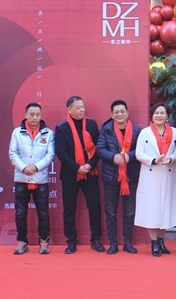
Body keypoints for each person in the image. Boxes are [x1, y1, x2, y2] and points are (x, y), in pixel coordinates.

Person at [55, 96, 104, 254]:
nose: (81, 110)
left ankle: (96, 240)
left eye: (82, 107)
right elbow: (61, 152)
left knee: (95, 206)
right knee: (69, 209)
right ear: (69, 110)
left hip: (90, 172)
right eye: (78, 108)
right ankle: (71, 241)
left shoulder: (91, 124)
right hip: (70, 174)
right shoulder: (61, 128)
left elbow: (99, 147)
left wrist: (90, 165)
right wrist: (77, 167)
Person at [9, 102, 55, 255]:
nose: (35, 118)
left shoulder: (48, 133)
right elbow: (13, 153)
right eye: (32, 114)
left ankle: (44, 241)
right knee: (21, 212)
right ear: (25, 115)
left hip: (40, 179)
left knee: (43, 212)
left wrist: (36, 167)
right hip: (21, 178)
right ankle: (22, 242)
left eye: (38, 115)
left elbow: (50, 155)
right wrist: (23, 168)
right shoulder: (17, 132)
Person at [135, 102, 176, 257]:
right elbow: (138, 153)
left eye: (162, 113)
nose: (159, 116)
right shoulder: (145, 133)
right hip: (151, 174)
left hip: (168, 173)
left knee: (165, 208)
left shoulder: (174, 132)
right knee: (151, 209)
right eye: (156, 113)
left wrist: (171, 158)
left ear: (167, 116)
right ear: (152, 116)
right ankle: (154, 242)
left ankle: (161, 240)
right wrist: (153, 160)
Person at [96, 99, 141, 254]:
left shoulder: (136, 130)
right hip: (111, 176)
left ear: (127, 113)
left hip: (130, 176)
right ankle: (113, 243)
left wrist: (129, 156)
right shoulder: (106, 130)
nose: (120, 114)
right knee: (111, 212)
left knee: (129, 212)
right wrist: (113, 157)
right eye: (116, 112)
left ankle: (128, 243)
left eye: (122, 111)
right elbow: (100, 149)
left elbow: (141, 150)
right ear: (112, 115)